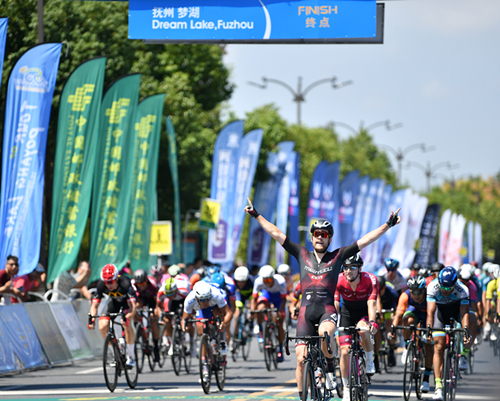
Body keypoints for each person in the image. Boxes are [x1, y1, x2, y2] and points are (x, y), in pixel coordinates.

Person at [244, 197, 401, 399]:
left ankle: (329, 370)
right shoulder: (301, 254)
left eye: (324, 234)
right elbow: (276, 233)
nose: (320, 237)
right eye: (316, 234)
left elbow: (365, 240)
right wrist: (256, 215)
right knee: (301, 359)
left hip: (326, 311)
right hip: (305, 312)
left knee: (325, 333)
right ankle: (303, 396)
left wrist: (388, 225)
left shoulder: (338, 256)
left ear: (329, 239)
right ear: (312, 238)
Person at [335, 254, 378, 395]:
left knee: (363, 330)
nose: (348, 271)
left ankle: (369, 360)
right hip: (347, 314)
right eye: (346, 267)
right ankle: (346, 389)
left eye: (352, 267)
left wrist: (372, 322)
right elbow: (335, 304)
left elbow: (372, 303)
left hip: (363, 313)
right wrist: (332, 321)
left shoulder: (370, 279)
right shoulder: (339, 279)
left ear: (360, 268)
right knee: (344, 352)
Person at [426, 266, 471, 401]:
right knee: (438, 347)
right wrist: (429, 330)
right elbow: (430, 312)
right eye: (442, 287)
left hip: (456, 310)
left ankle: (463, 354)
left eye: (448, 288)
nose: (444, 290)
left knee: (472, 319)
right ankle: (438, 386)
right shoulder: (432, 286)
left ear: (454, 284)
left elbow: (464, 313)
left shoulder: (462, 289)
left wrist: (466, 331)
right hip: (440, 313)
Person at [389, 275, 433, 393]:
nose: (416, 295)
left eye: (419, 292)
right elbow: (398, 314)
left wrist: (429, 331)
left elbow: (432, 314)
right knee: (407, 320)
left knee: (429, 346)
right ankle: (407, 345)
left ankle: (426, 380)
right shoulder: (405, 295)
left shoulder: (430, 295)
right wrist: (393, 329)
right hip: (415, 311)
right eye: (414, 292)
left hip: (428, 315)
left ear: (424, 290)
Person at [88, 264, 137, 367]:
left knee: (126, 324)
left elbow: (133, 306)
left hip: (126, 303)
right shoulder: (101, 284)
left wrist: (128, 317)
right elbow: (94, 306)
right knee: (102, 325)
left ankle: (131, 357)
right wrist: (92, 319)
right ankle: (115, 354)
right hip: (113, 302)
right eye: (106, 282)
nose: (109, 285)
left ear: (116, 279)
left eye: (111, 282)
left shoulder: (125, 283)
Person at [181, 281, 232, 379]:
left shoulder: (217, 295)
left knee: (219, 317)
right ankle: (205, 364)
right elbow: (184, 318)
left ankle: (221, 339)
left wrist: (223, 324)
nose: (205, 302)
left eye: (207, 299)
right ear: (196, 298)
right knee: (201, 329)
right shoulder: (189, 300)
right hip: (200, 309)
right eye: (203, 300)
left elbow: (229, 313)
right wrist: (185, 327)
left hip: (216, 305)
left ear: (210, 296)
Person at [250, 264, 287, 361]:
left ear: (273, 278)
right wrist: (252, 312)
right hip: (266, 294)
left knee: (279, 323)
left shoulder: (281, 281)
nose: (267, 283)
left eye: (269, 280)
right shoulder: (258, 281)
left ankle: (280, 349)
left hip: (279, 298)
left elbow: (284, 299)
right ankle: (261, 330)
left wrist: (279, 312)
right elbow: (254, 299)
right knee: (260, 308)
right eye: (265, 280)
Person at [131, 269, 161, 362]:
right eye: (139, 284)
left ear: (146, 281)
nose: (141, 286)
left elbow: (159, 297)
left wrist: (157, 308)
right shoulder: (132, 284)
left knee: (153, 321)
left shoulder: (153, 283)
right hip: (141, 299)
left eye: (143, 283)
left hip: (153, 299)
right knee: (134, 309)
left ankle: (156, 347)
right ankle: (138, 327)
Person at [157, 274, 191, 356]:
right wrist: (161, 316)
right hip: (173, 301)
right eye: (167, 294)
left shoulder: (184, 291)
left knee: (187, 320)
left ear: (175, 290)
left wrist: (185, 318)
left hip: (184, 299)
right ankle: (172, 343)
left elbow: (190, 307)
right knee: (167, 319)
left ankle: (192, 344)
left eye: (171, 294)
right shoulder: (161, 292)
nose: (169, 296)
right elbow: (158, 307)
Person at [374, 275, 399, 368]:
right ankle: (376, 355)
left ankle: (391, 350)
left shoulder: (392, 292)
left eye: (380, 290)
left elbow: (398, 307)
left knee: (389, 324)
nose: (379, 292)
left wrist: (394, 315)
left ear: (384, 287)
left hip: (390, 307)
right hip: (378, 306)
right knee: (376, 325)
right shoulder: (373, 290)